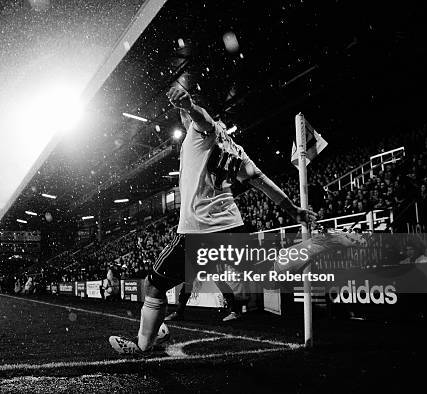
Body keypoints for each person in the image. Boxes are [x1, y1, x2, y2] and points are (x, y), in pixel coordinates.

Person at [109, 85, 316, 354]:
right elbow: (260, 180)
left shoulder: (199, 130)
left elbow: (202, 119)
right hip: (231, 225)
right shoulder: (235, 148)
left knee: (154, 284)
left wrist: (189, 105)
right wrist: (293, 210)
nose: (181, 117)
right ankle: (314, 248)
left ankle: (142, 346)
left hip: (197, 230)